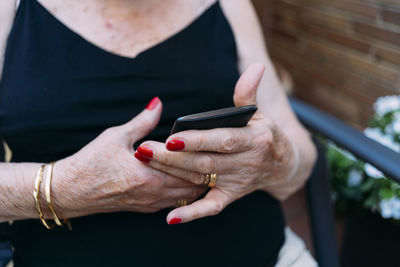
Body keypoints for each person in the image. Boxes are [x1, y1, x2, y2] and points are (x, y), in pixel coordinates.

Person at [0, 0, 316, 266]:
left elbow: (301, 157)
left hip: (266, 255)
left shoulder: (230, 5)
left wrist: (275, 159)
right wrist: (62, 189)